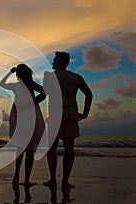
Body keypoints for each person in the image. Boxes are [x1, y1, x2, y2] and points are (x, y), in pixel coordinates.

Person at [43, 51, 93, 191]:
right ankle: (65, 182)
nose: (52, 62)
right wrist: (85, 113)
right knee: (69, 149)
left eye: (55, 60)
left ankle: (53, 180)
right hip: (71, 114)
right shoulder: (76, 77)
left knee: (52, 149)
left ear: (60, 61)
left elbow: (43, 93)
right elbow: (89, 94)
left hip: (56, 115)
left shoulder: (50, 76)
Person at [0, 64, 45, 187]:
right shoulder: (30, 84)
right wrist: (33, 102)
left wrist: (9, 72)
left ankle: (17, 175)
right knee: (30, 150)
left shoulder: (17, 85)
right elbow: (44, 93)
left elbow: (1, 84)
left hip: (21, 113)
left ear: (18, 74)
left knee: (21, 147)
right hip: (28, 113)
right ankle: (26, 180)